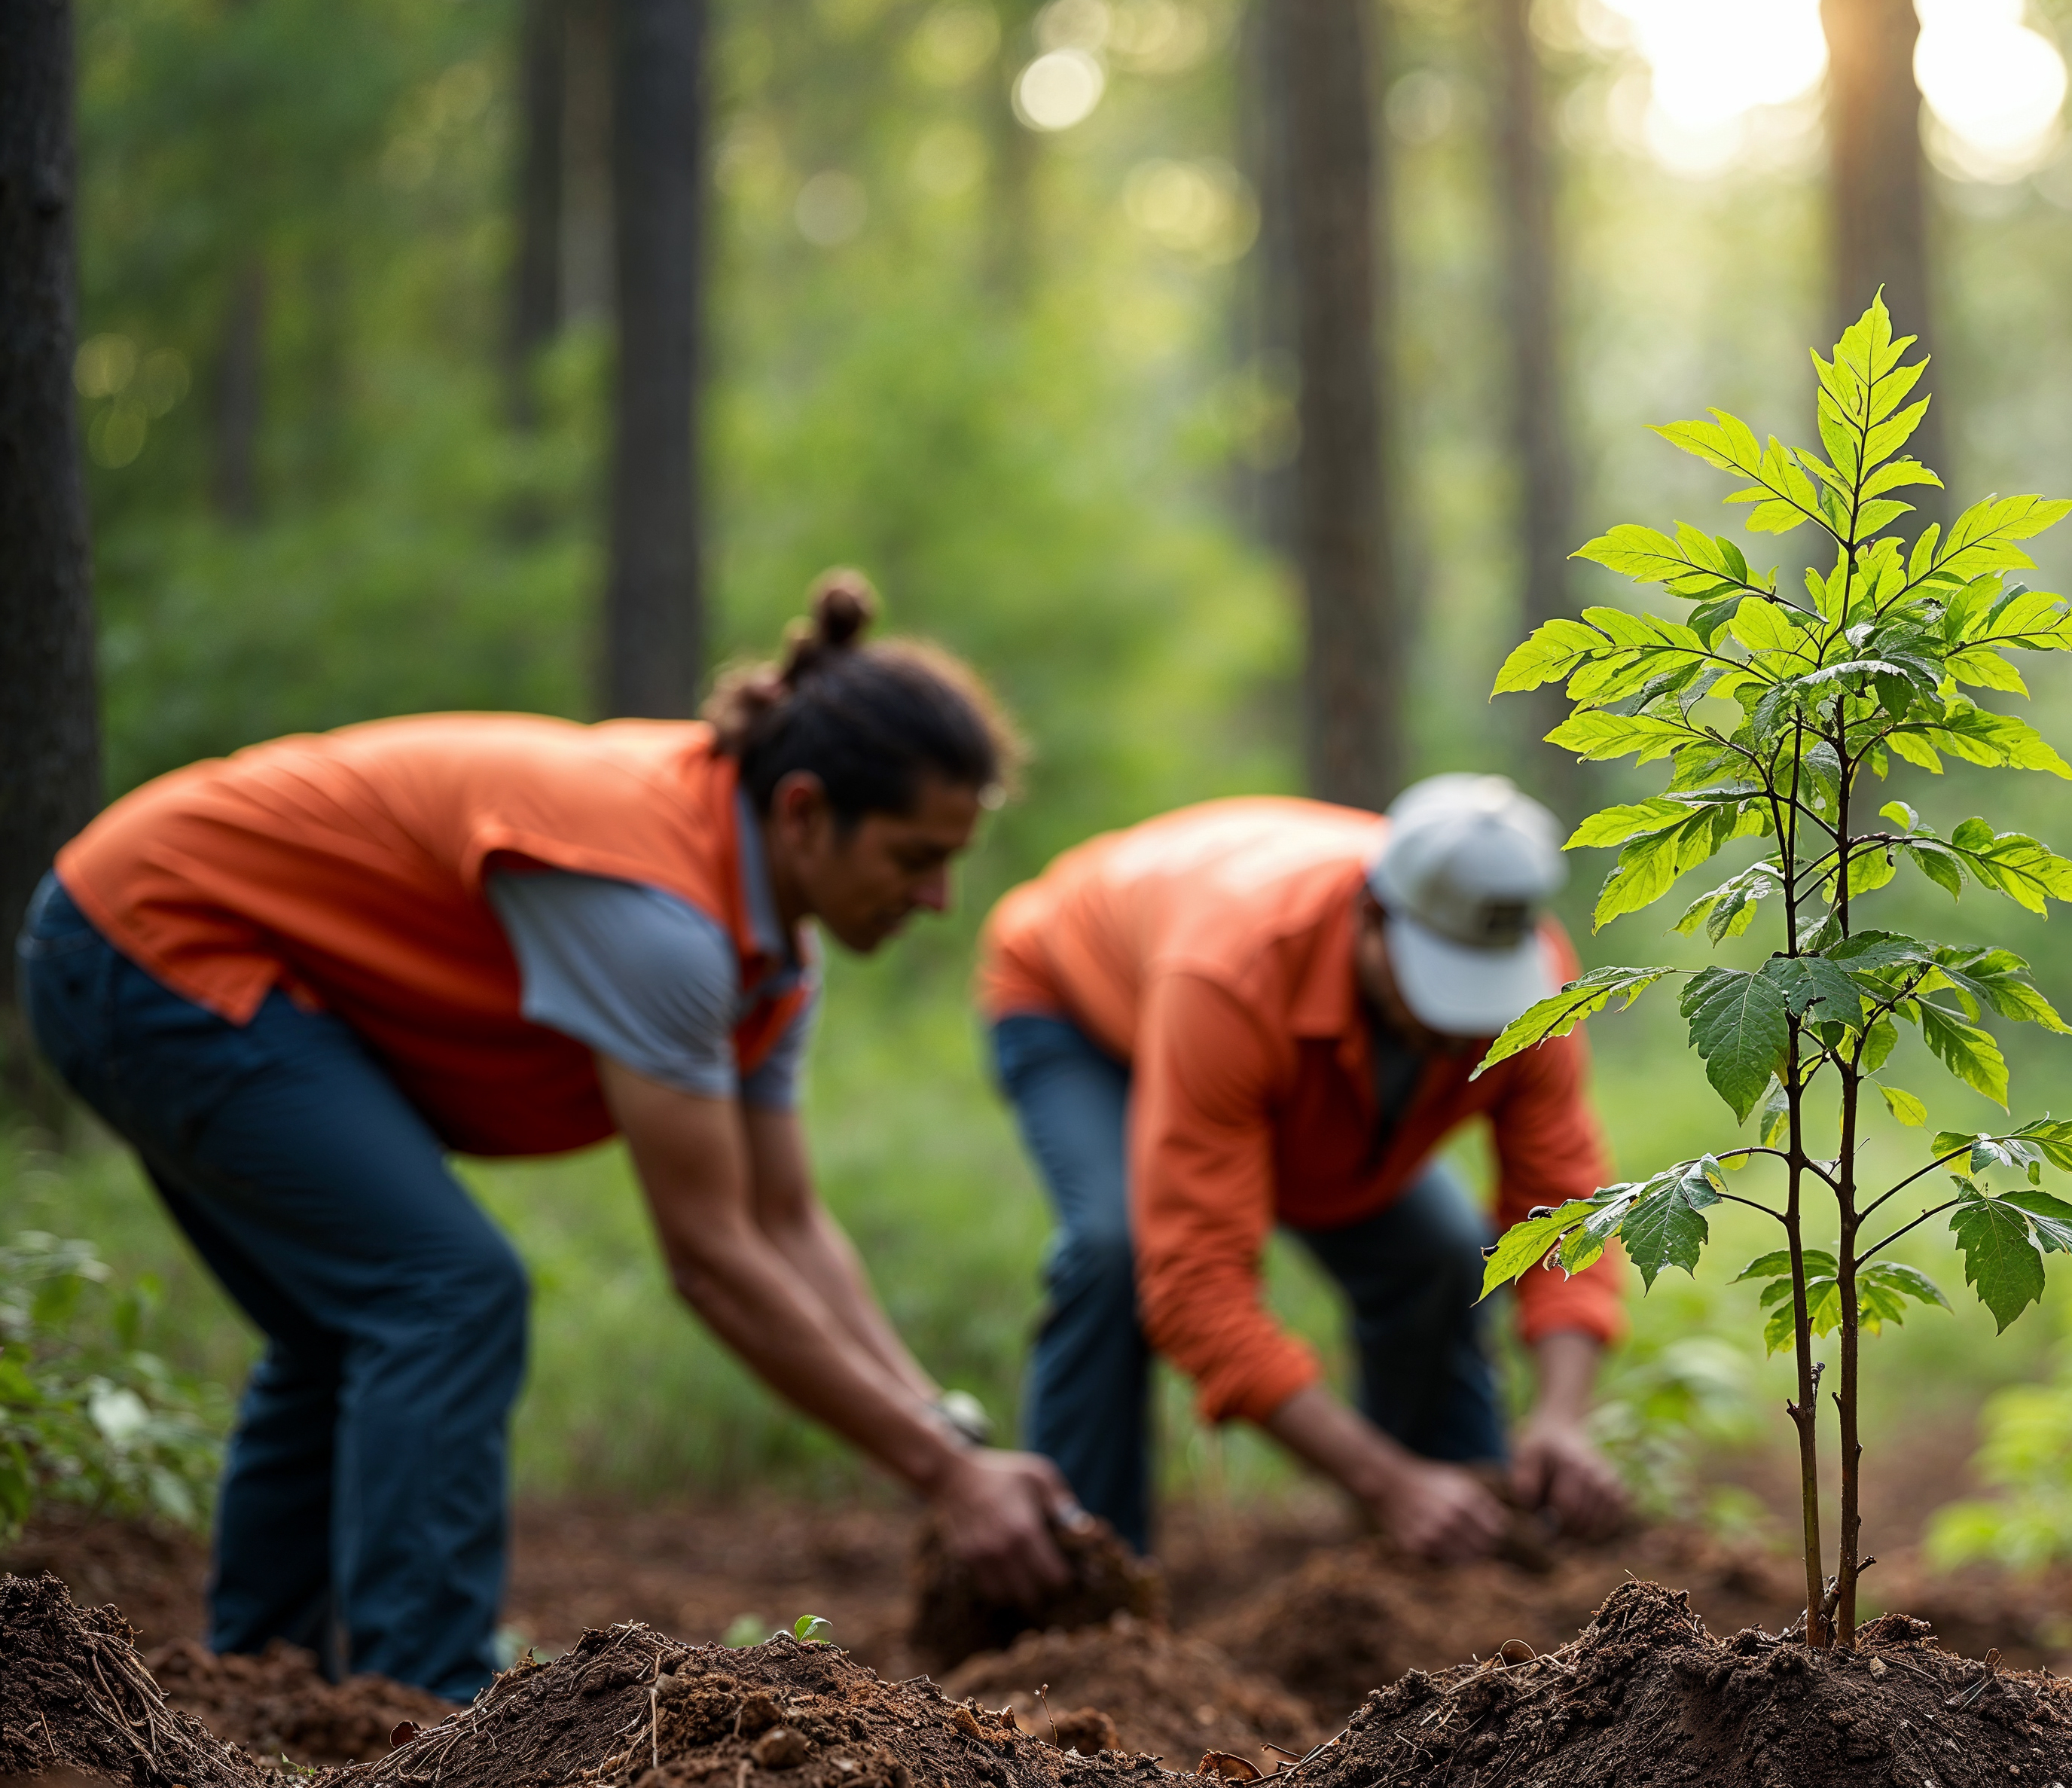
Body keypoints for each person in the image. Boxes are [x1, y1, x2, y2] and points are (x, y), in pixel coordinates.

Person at [17, 575, 1074, 1701]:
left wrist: (945, 1439)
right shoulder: (659, 916)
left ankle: (260, 1690)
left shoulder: (768, 949)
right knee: (445, 1292)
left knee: (350, 1328)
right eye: (915, 859)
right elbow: (715, 1260)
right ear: (806, 813)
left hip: (192, 956)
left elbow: (788, 1222)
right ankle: (422, 1714)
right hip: (153, 944)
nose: (941, 899)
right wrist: (945, 1478)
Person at [976, 776, 1632, 1564]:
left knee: (1437, 1252)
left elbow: (1562, 1204)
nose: (1453, 1030)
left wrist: (1562, 1415)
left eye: (1477, 1007)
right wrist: (1382, 1480)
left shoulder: (1532, 982)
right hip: (1083, 1004)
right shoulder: (1233, 968)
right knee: (1115, 1249)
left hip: (1263, 1049)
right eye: (1436, 991)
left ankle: (1460, 1541)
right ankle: (1078, 1577)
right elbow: (1194, 1284)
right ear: (1372, 915)